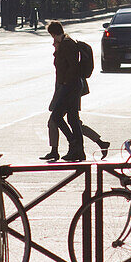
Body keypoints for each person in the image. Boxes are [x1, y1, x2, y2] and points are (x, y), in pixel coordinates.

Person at [42, 21, 85, 162]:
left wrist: (65, 82)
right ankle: (78, 151)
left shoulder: (67, 44)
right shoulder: (65, 42)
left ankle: (73, 142)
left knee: (56, 116)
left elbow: (72, 65)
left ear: (53, 33)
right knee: (72, 118)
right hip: (70, 85)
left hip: (69, 86)